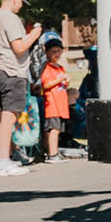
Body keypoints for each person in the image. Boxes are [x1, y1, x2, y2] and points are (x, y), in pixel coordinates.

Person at [0, 0, 41, 176]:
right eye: (21, 3)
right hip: (12, 71)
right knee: (9, 117)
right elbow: (19, 47)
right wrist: (34, 35)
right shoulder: (10, 18)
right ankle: (3, 161)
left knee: (5, 116)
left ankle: (1, 157)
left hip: (1, 70)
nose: (21, 7)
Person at [36, 32, 70, 163]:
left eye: (59, 51)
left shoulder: (60, 67)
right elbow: (46, 84)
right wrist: (59, 80)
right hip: (52, 104)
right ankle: (52, 154)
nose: (57, 54)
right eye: (54, 51)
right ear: (48, 53)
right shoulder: (47, 68)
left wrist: (66, 81)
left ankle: (51, 151)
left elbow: (63, 84)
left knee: (57, 130)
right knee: (53, 130)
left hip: (60, 104)